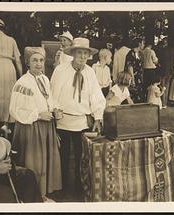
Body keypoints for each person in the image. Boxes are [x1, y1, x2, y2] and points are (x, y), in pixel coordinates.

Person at [50, 37, 106, 198]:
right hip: (63, 121)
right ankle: (61, 190)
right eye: (79, 53)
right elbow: (52, 94)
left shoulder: (89, 72)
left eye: (85, 54)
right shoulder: (60, 70)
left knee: (83, 157)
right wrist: (55, 111)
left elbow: (96, 96)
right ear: (73, 53)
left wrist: (97, 117)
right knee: (63, 157)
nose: (82, 57)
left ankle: (79, 190)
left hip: (82, 121)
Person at [9, 47, 62, 202]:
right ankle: (33, 196)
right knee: (35, 163)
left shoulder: (44, 79)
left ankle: (43, 194)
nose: (39, 64)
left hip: (46, 126)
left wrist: (55, 109)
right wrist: (38, 115)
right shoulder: (23, 83)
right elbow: (16, 109)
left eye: (41, 60)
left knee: (45, 162)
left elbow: (48, 99)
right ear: (27, 62)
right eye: (35, 60)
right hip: (31, 128)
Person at [156, 38, 174, 108]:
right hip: (169, 71)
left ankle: (163, 103)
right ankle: (165, 103)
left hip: (162, 71)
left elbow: (159, 61)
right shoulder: (171, 50)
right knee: (166, 87)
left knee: (162, 87)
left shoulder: (161, 50)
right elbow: (172, 61)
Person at [124, 38, 145, 103]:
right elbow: (130, 67)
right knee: (133, 94)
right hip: (132, 77)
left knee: (139, 94)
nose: (144, 45)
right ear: (139, 44)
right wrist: (132, 79)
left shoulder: (139, 53)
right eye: (143, 43)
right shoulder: (131, 53)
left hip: (139, 77)